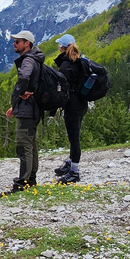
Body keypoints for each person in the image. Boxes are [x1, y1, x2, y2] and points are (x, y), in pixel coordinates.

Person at [5, 30, 45, 193]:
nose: (14, 44)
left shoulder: (28, 60)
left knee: (24, 146)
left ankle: (23, 182)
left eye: (17, 42)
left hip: (28, 111)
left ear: (26, 43)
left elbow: (24, 78)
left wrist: (20, 93)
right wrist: (16, 106)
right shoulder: (35, 58)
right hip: (32, 108)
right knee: (31, 144)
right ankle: (31, 178)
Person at [52, 34, 88, 183]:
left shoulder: (66, 65)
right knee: (75, 134)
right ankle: (70, 162)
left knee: (74, 139)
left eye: (59, 45)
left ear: (62, 47)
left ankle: (74, 171)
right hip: (82, 103)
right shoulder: (81, 61)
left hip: (72, 105)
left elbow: (62, 88)